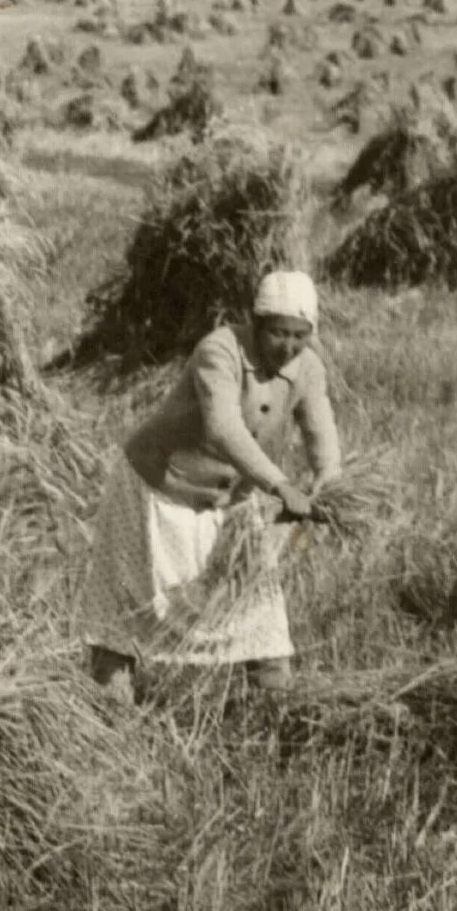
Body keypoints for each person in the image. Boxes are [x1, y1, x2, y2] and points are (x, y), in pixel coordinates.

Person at [76, 269, 341, 701]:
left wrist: (329, 487)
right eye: (277, 332)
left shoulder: (308, 368)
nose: (288, 346)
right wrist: (280, 485)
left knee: (261, 617)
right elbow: (222, 428)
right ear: (256, 323)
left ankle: (272, 708)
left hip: (230, 505)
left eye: (299, 334)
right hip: (156, 492)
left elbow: (322, 435)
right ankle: (110, 711)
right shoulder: (219, 351)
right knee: (125, 618)